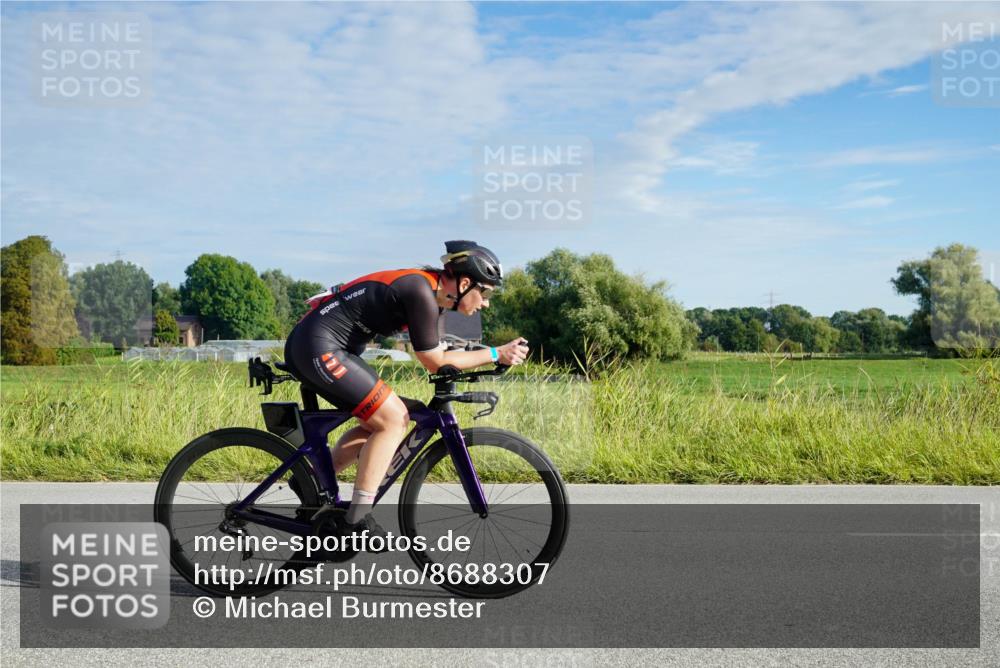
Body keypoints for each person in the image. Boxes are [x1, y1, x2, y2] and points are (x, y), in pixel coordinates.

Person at [282, 240, 529, 540]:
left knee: (391, 416)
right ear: (465, 283)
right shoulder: (420, 291)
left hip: (327, 348)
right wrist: (494, 354)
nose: (486, 302)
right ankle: (355, 519)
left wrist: (477, 354)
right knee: (393, 419)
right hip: (319, 348)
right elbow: (435, 361)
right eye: (486, 292)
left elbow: (439, 350)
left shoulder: (431, 297)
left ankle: (311, 478)